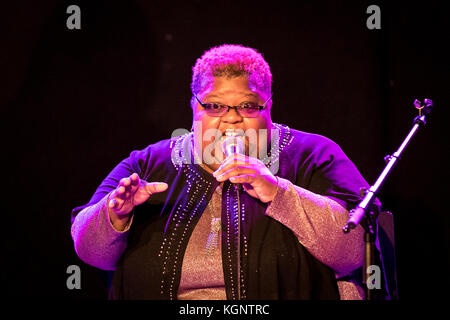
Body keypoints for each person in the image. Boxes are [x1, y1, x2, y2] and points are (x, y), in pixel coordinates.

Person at [71, 44, 383, 300]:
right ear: (194, 107)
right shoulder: (149, 162)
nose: (231, 120)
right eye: (215, 107)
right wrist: (114, 217)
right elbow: (90, 252)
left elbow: (356, 251)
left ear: (269, 104)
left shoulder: (314, 155)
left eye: (248, 107)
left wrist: (277, 190)